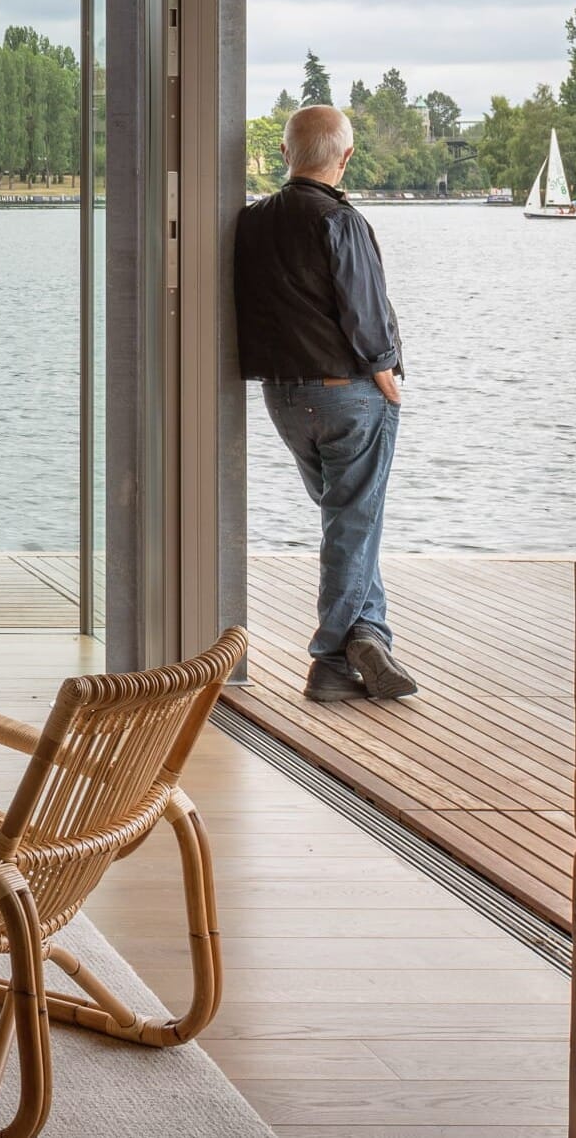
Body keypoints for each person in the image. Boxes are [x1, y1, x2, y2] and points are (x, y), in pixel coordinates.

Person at [233, 104, 418, 704]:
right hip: (347, 395)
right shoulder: (341, 220)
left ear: (286, 154)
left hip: (283, 399)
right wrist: (386, 366)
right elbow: (364, 308)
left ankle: (369, 635)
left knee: (347, 521)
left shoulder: (251, 220)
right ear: (346, 157)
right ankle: (332, 658)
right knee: (353, 521)